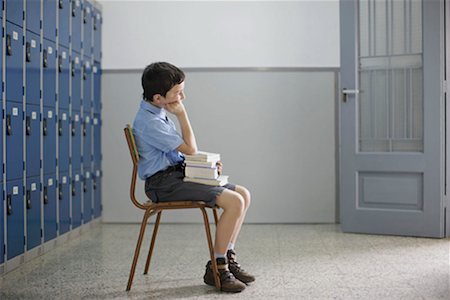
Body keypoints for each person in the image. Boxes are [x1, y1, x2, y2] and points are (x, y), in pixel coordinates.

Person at [132, 62, 255, 293]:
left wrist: (204, 166)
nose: (183, 97)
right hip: (164, 185)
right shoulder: (150, 122)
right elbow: (190, 147)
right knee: (234, 202)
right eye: (178, 93)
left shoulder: (156, 113)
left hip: (176, 176)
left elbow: (181, 154)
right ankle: (218, 268)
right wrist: (182, 114)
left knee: (243, 194)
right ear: (159, 98)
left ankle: (228, 256)